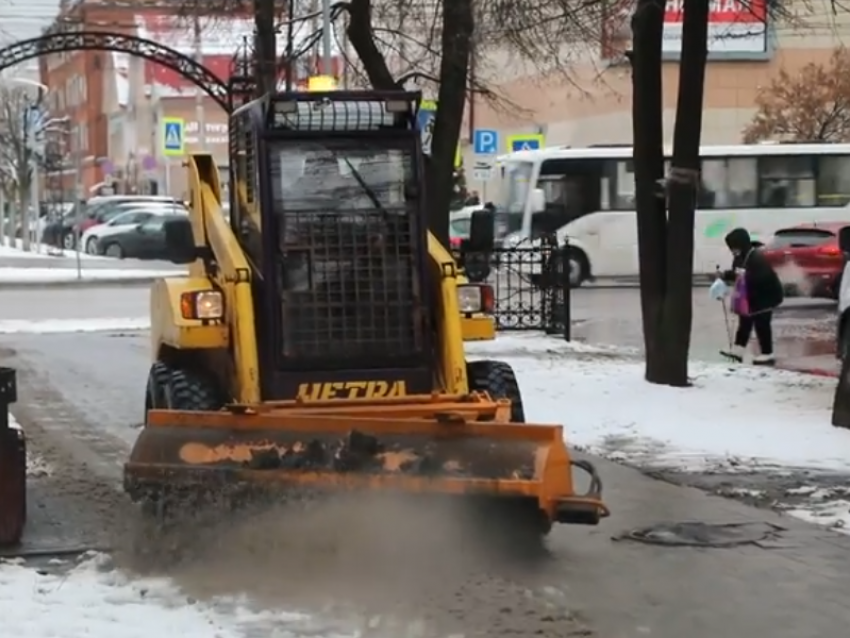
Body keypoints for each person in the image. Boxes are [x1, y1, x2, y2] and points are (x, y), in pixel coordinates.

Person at [718, 227, 784, 365]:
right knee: (745, 322)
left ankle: (767, 353)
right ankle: (738, 349)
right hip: (751, 296)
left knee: (762, 323)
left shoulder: (756, 258)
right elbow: (737, 273)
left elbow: (760, 277)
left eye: (734, 247)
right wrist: (726, 276)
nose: (733, 251)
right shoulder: (739, 258)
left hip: (766, 295)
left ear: (741, 244)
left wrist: (743, 277)